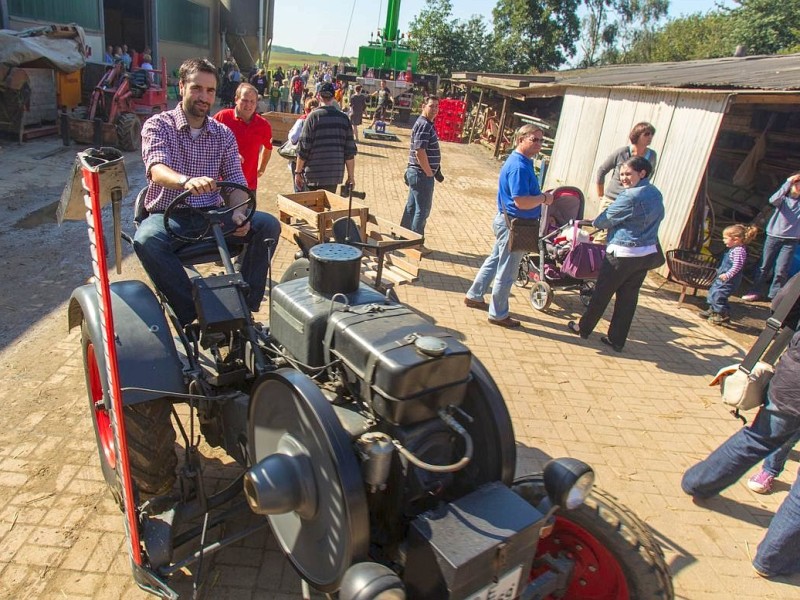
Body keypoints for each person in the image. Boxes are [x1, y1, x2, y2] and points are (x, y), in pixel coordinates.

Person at [133, 58, 281, 327]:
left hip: (212, 215)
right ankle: (194, 314)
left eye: (210, 91)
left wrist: (238, 213)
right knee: (146, 240)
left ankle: (244, 307)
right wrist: (185, 181)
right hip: (169, 214)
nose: (204, 97)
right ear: (182, 87)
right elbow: (156, 168)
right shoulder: (158, 125)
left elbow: (236, 181)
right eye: (197, 88)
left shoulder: (222, 133)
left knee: (266, 225)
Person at [682, 329, 800, 578]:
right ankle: (773, 560)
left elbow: (783, 302)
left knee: (756, 439)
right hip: (793, 383)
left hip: (793, 383)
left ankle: (698, 483)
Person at [567, 156, 665, 352]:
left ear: (642, 173)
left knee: (602, 293)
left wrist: (595, 222)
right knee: (628, 298)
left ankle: (583, 328)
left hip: (623, 253)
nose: (624, 179)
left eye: (628, 174)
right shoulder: (654, 192)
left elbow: (605, 220)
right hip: (645, 254)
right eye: (621, 175)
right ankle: (617, 340)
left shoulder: (630, 196)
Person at [464, 125, 554, 328]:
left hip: (508, 222)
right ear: (521, 139)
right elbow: (521, 201)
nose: (539, 144)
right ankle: (497, 314)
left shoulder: (523, 162)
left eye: (541, 140)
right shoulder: (519, 166)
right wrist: (543, 198)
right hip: (514, 225)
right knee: (507, 271)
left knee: (496, 260)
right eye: (535, 139)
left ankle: (475, 295)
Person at [594, 122, 657, 243]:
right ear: (637, 135)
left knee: (623, 235)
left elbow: (648, 178)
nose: (650, 137)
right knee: (602, 235)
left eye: (652, 135)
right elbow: (602, 171)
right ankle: (594, 259)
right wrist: (601, 195)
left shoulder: (651, 156)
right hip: (613, 199)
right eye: (646, 134)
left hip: (633, 202)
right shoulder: (622, 152)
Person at [743, 173, 800, 302]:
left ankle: (774, 297)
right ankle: (755, 291)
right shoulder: (783, 200)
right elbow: (773, 200)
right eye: (797, 183)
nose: (798, 186)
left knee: (781, 269)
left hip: (791, 240)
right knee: (764, 266)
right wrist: (788, 182)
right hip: (773, 236)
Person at [294, 82, 356, 193]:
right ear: (334, 97)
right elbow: (349, 151)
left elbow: (303, 148)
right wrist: (351, 177)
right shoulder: (344, 119)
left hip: (313, 173)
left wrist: (298, 172)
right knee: (327, 208)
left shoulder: (313, 117)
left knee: (312, 208)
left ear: (318, 96)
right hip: (333, 174)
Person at [213, 82, 273, 191]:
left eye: (252, 101)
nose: (248, 105)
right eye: (244, 100)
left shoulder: (263, 125)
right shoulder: (222, 117)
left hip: (248, 184)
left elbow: (268, 147)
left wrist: (262, 168)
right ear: (236, 99)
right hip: (221, 184)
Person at [400, 95, 441, 249]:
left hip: (417, 173)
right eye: (431, 106)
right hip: (421, 174)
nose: (435, 109)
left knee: (411, 207)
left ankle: (403, 236)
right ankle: (415, 244)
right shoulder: (424, 125)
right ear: (423, 106)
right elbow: (420, 151)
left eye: (437, 106)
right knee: (422, 210)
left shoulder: (426, 124)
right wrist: (429, 172)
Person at [699, 224, 758, 324]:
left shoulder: (739, 251)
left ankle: (722, 314)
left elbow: (737, 267)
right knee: (714, 292)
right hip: (722, 278)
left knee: (719, 295)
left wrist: (728, 275)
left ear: (736, 239)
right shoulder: (734, 249)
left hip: (729, 280)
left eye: (725, 238)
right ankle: (713, 310)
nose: (723, 240)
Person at [287, 97, 320, 191]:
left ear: (306, 109)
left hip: (299, 160)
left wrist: (290, 133)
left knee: (299, 188)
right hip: (314, 161)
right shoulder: (320, 120)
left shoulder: (302, 120)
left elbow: (293, 138)